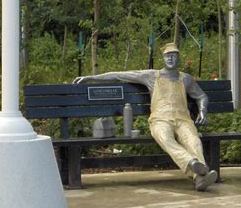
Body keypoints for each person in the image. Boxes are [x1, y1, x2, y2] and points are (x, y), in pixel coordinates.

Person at [73, 43, 217, 191]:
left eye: (174, 56)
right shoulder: (151, 76)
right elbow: (119, 76)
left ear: (178, 58)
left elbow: (201, 96)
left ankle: (199, 178)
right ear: (163, 58)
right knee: (166, 139)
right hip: (160, 120)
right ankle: (193, 164)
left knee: (194, 141)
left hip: (183, 120)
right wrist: (90, 78)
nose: (170, 59)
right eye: (168, 56)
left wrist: (203, 110)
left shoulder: (185, 79)